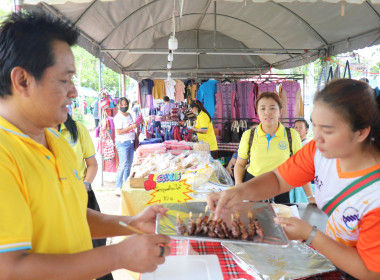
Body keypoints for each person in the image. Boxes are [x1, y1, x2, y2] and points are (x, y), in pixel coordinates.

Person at [0, 12, 170, 279]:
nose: (74, 92)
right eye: (64, 80)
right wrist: (118, 256)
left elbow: (73, 217)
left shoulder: (56, 141)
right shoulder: (4, 155)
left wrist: (133, 224)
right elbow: (10, 269)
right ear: (22, 80)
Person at [207, 79, 380, 279]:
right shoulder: (319, 151)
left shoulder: (375, 193)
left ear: (361, 132)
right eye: (314, 126)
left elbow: (372, 271)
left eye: (328, 130)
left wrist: (311, 235)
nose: (317, 137)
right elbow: (278, 179)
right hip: (332, 259)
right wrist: (238, 191)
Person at [58, 114, 113, 280]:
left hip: (83, 196)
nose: (72, 93)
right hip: (58, 203)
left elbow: (92, 164)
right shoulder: (34, 135)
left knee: (96, 249)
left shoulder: (77, 128)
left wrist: (86, 184)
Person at [234, 92, 314, 204]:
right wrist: (238, 187)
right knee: (253, 220)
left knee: (280, 220)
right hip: (253, 185)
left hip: (281, 188)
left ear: (280, 111)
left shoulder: (292, 135)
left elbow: (300, 166)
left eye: (272, 108)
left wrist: (310, 196)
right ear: (257, 112)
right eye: (262, 108)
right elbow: (240, 164)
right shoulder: (248, 135)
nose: (267, 112)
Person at [114, 97, 137, 196]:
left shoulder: (129, 115)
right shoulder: (118, 117)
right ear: (118, 106)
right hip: (123, 143)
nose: (124, 106)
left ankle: (126, 184)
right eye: (122, 105)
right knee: (122, 165)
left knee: (129, 165)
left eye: (125, 104)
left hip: (131, 142)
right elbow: (118, 132)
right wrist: (131, 127)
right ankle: (118, 187)